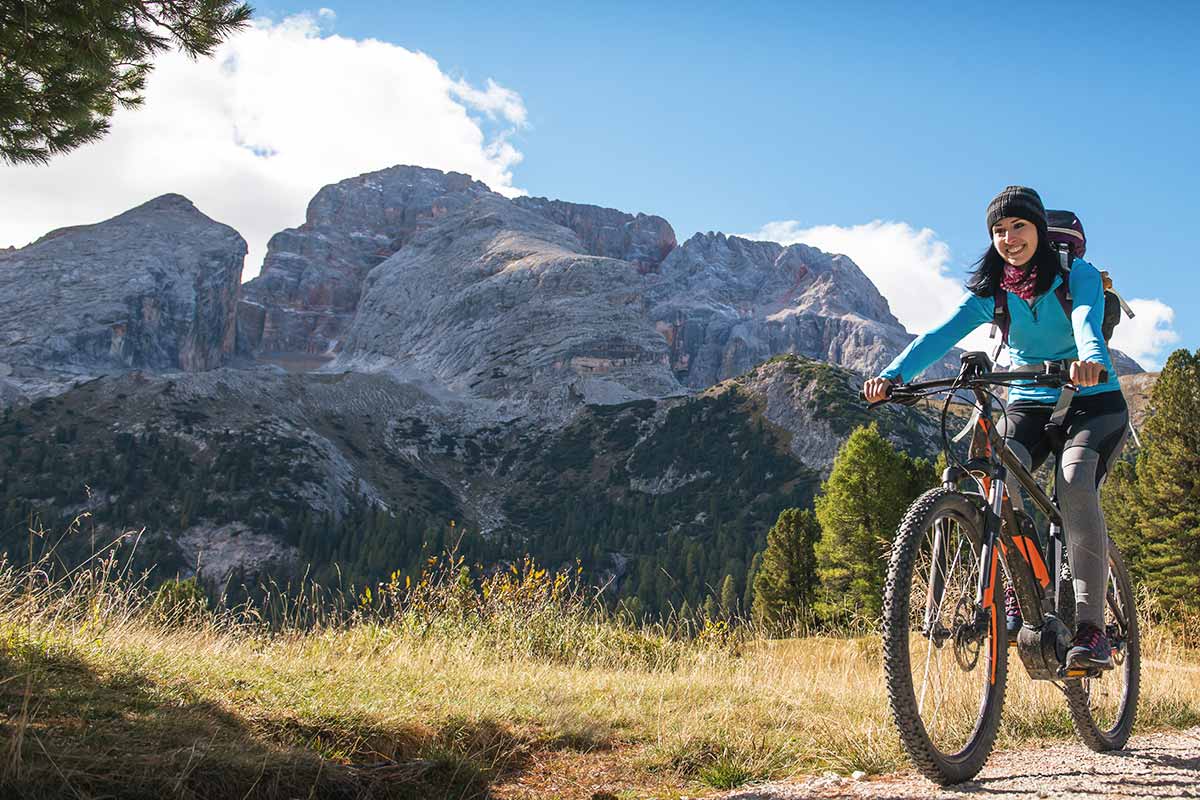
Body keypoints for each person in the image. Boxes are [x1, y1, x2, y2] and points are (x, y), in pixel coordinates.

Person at [862, 186, 1128, 671]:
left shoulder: (1077, 276)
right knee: (994, 475)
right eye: (999, 231)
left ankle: (1092, 630)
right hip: (1029, 398)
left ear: (1040, 231)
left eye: (1018, 227)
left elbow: (1088, 317)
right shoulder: (995, 290)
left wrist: (1090, 358)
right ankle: (1016, 591)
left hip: (1091, 400)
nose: (1009, 238)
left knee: (1072, 484)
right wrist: (894, 375)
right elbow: (939, 333)